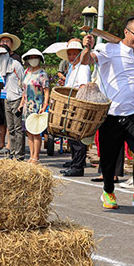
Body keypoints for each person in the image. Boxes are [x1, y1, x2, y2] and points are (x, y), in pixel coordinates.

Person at [81, 16, 134, 210]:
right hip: (111, 115)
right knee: (109, 159)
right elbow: (85, 61)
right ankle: (108, 192)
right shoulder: (109, 49)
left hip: (133, 113)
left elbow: (128, 74)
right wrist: (87, 47)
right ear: (126, 32)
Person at [57, 39, 92, 176]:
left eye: (74, 54)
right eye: (70, 54)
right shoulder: (73, 69)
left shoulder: (83, 68)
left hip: (77, 106)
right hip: (71, 105)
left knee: (77, 138)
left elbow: (83, 87)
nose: (72, 57)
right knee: (72, 137)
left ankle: (78, 166)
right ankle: (75, 162)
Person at [0, 33, 22, 153]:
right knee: (0, 120)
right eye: (2, 41)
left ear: (11, 44)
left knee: (11, 121)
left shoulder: (16, 58)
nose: (4, 43)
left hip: (12, 93)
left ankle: (10, 145)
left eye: (7, 41)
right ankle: (1, 143)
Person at [20, 49, 50, 165]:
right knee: (29, 131)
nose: (33, 59)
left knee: (36, 131)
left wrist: (45, 104)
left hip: (37, 105)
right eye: (31, 57)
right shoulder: (26, 72)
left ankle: (36, 157)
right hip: (27, 106)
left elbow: (46, 91)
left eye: (35, 57)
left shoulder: (42, 74)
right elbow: (24, 90)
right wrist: (21, 103)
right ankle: (31, 155)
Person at [0, 45, 25, 160]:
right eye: (0, 55)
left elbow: (24, 84)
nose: (2, 56)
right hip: (7, 99)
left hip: (17, 98)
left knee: (18, 129)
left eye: (4, 54)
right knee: (10, 127)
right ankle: (12, 152)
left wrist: (22, 102)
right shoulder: (2, 68)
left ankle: (20, 154)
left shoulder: (16, 65)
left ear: (10, 53)